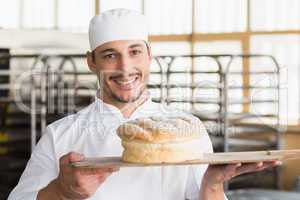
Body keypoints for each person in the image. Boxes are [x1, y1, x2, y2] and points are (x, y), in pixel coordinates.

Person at [8, 8, 281, 200]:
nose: (125, 68)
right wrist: (61, 192)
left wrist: (212, 184)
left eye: (134, 52)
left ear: (149, 55)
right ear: (91, 62)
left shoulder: (188, 131)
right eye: (110, 55)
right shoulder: (60, 135)